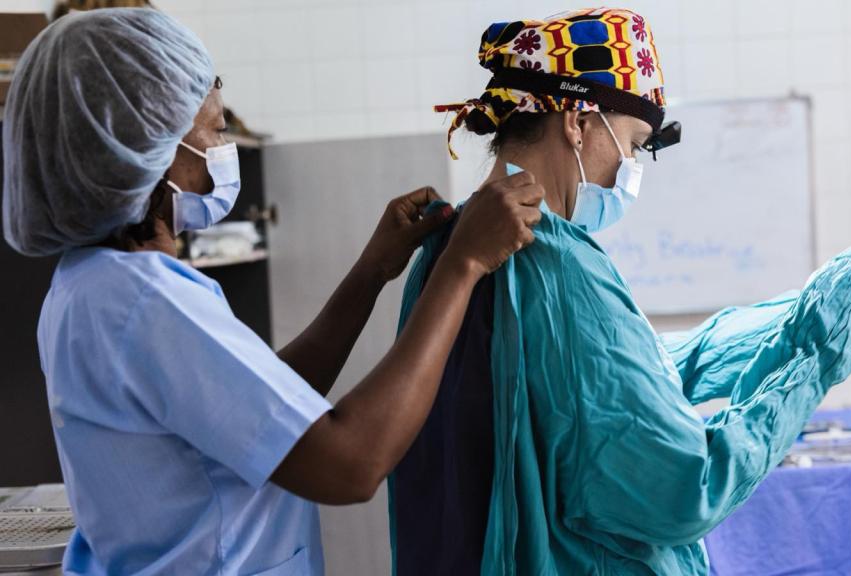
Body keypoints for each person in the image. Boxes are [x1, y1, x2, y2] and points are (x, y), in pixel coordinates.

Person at [2, 8, 543, 575]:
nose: (223, 149)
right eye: (215, 132)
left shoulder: (87, 286)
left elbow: (264, 406)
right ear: (147, 146)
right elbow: (350, 463)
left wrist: (370, 272)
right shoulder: (145, 303)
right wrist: (462, 265)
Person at [388, 8, 851, 575]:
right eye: (635, 144)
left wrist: (758, 337)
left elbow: (573, 393)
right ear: (577, 122)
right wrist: (815, 358)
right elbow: (687, 489)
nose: (631, 165)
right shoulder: (557, 265)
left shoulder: (443, 249)